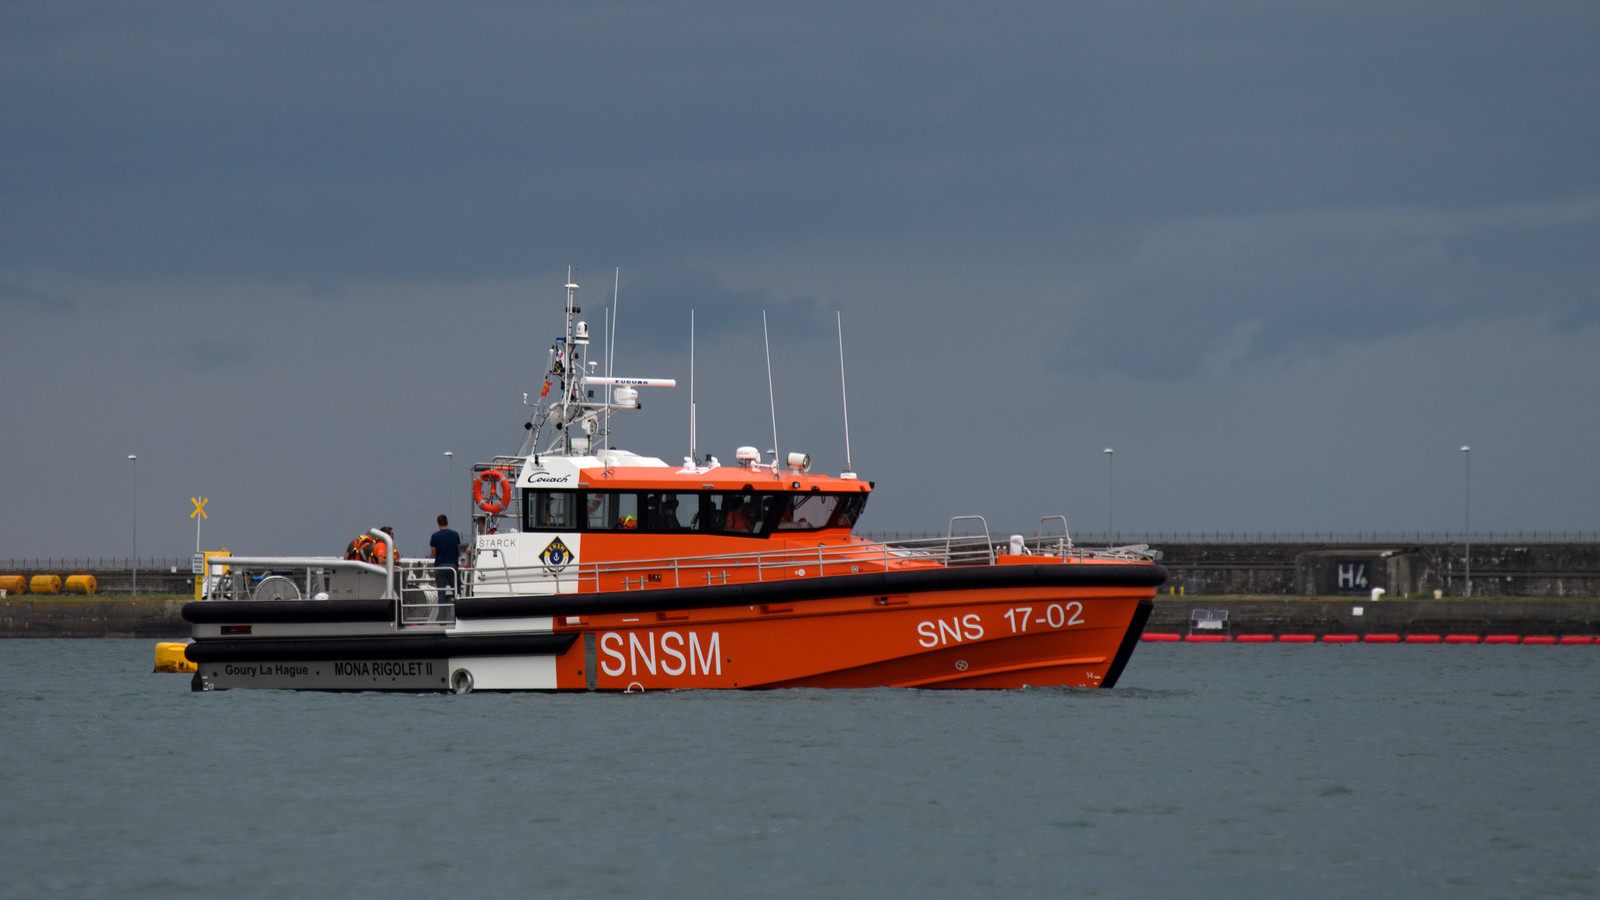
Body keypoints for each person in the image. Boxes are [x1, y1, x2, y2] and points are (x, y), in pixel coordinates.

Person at [429, 515, 461, 595]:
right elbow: (457, 549)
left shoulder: (435, 536)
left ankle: (442, 607)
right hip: (452, 566)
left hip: (440, 565)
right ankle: (458, 606)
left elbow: (433, 552)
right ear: (447, 522)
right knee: (457, 592)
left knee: (441, 593)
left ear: (438, 523)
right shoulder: (455, 534)